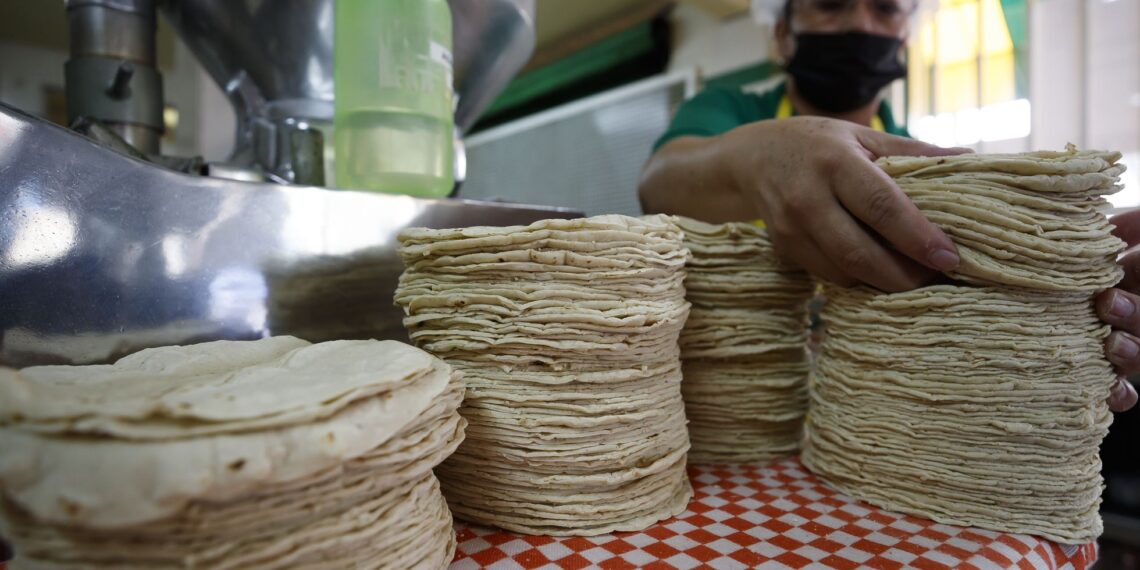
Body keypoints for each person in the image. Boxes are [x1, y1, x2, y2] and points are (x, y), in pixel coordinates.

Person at [638, 0, 1138, 411]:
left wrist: (1064, 310)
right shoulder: (728, 110)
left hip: (870, 416)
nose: (860, 24)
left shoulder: (928, 173)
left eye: (885, 9)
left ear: (905, 37)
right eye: (829, 6)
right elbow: (658, 183)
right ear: (782, 35)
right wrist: (759, 158)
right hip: (725, 411)